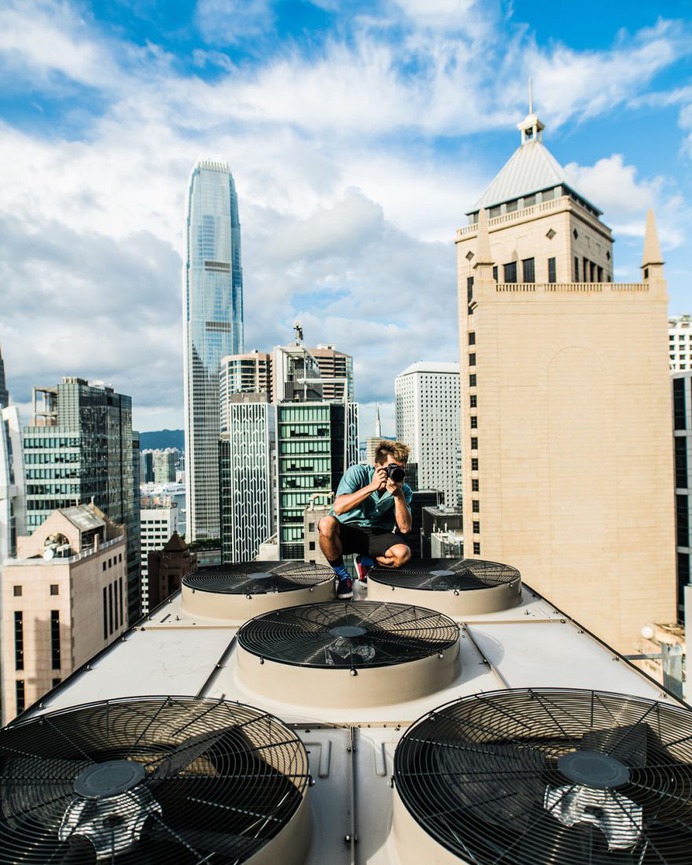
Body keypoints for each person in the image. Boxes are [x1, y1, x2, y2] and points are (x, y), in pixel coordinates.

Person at [319, 441, 413, 599]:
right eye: (392, 468)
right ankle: (343, 577)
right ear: (378, 466)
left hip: (376, 534)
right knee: (326, 523)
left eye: (401, 468)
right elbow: (338, 508)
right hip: (347, 528)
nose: (396, 472)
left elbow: (405, 528)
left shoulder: (403, 490)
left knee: (403, 554)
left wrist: (398, 495)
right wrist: (372, 486)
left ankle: (367, 563)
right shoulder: (357, 472)